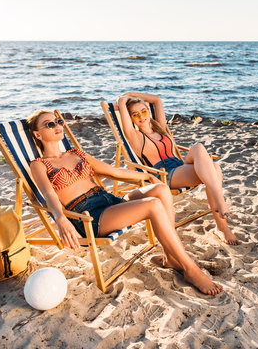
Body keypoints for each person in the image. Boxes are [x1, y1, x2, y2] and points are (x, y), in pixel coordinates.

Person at [27, 110, 222, 295]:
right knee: (153, 205)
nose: (57, 126)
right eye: (49, 124)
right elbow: (48, 193)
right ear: (37, 134)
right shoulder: (39, 165)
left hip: (110, 201)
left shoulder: (76, 154)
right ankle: (190, 269)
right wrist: (60, 218)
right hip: (89, 215)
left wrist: (146, 175)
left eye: (59, 121)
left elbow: (114, 172)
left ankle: (170, 257)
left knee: (161, 189)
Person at [117, 92, 240, 245]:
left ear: (148, 110)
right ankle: (222, 222)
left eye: (143, 111)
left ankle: (221, 220)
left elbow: (156, 99)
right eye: (135, 115)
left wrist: (131, 94)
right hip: (165, 174)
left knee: (199, 148)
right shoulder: (135, 136)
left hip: (179, 165)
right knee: (214, 168)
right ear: (130, 118)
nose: (141, 117)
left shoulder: (159, 127)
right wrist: (123, 100)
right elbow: (121, 102)